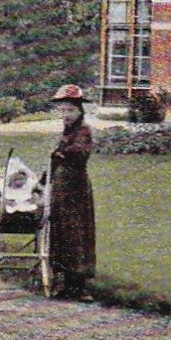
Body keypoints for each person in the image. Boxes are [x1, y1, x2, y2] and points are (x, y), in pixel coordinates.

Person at [47, 83, 96, 301]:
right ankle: (64, 281)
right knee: (61, 232)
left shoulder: (83, 132)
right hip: (61, 188)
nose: (66, 115)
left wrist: (61, 153)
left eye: (71, 110)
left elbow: (80, 154)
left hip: (75, 189)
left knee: (77, 232)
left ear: (80, 111)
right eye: (63, 110)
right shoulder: (67, 132)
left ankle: (79, 284)